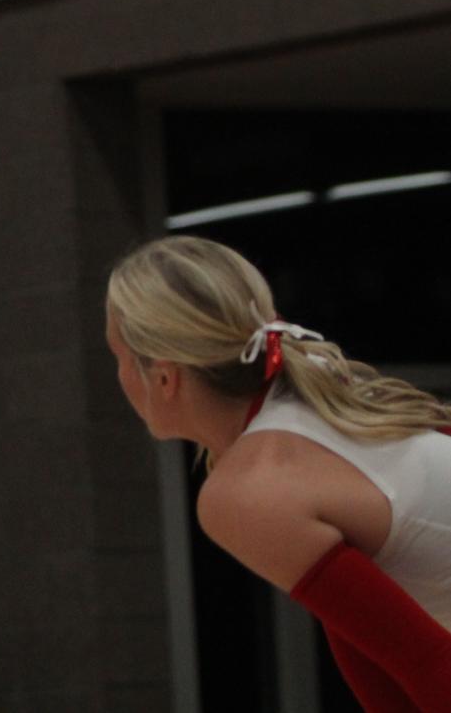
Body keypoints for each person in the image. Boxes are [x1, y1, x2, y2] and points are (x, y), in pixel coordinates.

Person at [104, 235, 451, 712]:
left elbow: (432, 667)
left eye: (117, 356)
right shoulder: (315, 407)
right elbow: (377, 655)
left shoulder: (250, 486)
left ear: (164, 377)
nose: (117, 376)